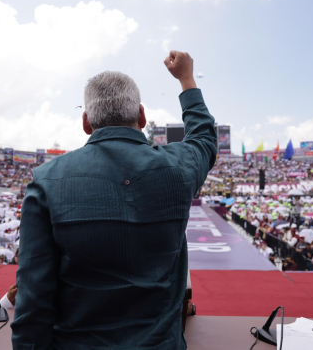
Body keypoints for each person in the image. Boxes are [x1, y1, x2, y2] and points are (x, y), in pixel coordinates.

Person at [12, 51, 217, 349]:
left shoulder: (46, 180)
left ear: (86, 122)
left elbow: (33, 297)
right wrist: (186, 79)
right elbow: (204, 140)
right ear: (142, 116)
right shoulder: (179, 169)